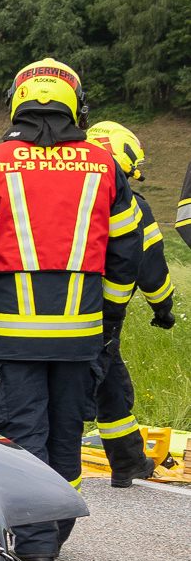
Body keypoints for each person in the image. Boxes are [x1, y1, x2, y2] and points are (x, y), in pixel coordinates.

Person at [0, 58, 142, 561]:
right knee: (66, 436)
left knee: (23, 436)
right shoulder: (103, 166)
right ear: (76, 106)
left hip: (13, 336)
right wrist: (111, 315)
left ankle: (34, 544)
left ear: (17, 103)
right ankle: (53, 534)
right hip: (81, 336)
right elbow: (126, 250)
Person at [83, 120, 175, 486]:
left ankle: (128, 462)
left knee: (110, 385)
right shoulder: (134, 206)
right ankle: (124, 462)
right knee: (98, 383)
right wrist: (163, 307)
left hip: (50, 306)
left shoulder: (65, 195)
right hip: (104, 313)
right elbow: (150, 267)